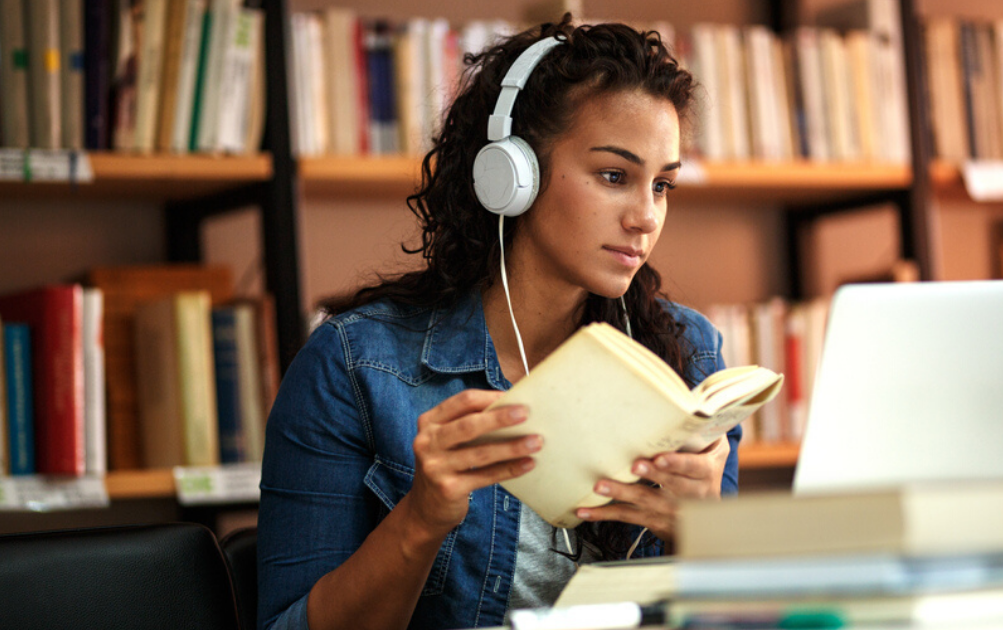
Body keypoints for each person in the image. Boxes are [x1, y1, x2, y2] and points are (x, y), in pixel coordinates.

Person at [257, 16, 741, 630]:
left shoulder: (688, 355)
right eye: (615, 176)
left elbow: (724, 617)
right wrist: (421, 518)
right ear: (512, 175)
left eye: (663, 184)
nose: (646, 217)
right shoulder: (353, 366)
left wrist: (706, 534)